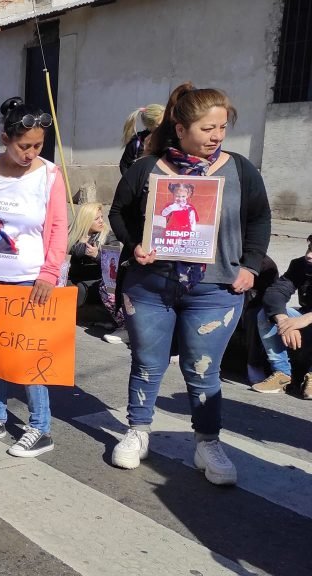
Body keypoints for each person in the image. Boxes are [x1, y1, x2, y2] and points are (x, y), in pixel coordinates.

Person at [108, 82, 271, 486]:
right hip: (150, 287)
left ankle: (207, 442)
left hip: (215, 291)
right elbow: (119, 212)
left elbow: (259, 219)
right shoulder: (148, 169)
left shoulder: (240, 170)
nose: (216, 137)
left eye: (222, 128)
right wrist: (135, 245)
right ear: (180, 129)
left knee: (203, 371)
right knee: (147, 364)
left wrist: (250, 265)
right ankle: (138, 430)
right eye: (207, 129)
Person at [0, 97, 68, 458]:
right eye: (24, 146)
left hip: (30, 281)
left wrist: (50, 272)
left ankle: (41, 427)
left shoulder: (49, 175)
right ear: (5, 138)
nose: (31, 153)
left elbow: (57, 226)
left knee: (29, 356)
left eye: (37, 146)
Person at [252, 237, 312, 397]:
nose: (309, 255)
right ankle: (282, 375)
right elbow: (276, 292)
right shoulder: (301, 265)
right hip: (306, 322)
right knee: (266, 313)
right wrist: (284, 320)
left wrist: (304, 319)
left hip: (308, 319)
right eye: (309, 248)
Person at [67, 203, 125, 343]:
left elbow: (114, 264)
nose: (101, 221)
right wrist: (81, 249)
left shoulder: (109, 236)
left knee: (79, 290)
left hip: (98, 281)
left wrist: (97, 255)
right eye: (96, 218)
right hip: (75, 277)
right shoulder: (73, 233)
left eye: (101, 217)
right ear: (86, 220)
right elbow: (67, 248)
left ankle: (115, 321)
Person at [120, 104, 164, 175]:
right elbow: (124, 165)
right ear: (150, 125)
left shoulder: (170, 140)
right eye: (160, 125)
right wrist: (131, 182)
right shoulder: (136, 142)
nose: (165, 127)